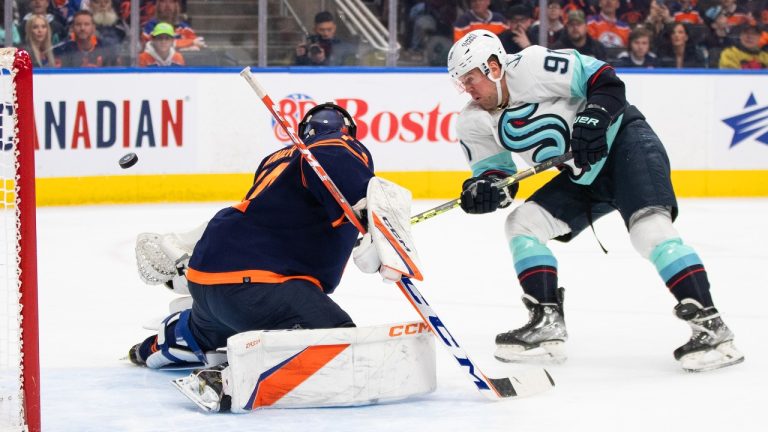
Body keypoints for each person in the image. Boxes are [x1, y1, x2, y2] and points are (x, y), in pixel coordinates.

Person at [445, 29, 744, 372]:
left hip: (626, 145)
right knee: (522, 223)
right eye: (460, 82)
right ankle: (547, 325)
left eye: (470, 79)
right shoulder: (472, 121)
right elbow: (499, 179)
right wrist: (483, 191)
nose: (467, 89)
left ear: (494, 67)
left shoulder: (532, 65)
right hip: (585, 174)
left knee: (649, 231)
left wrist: (595, 116)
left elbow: (606, 81)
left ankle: (713, 330)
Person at [128, 104, 382, 368]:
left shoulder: (276, 160)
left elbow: (268, 215)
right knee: (338, 344)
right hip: (257, 285)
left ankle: (171, 339)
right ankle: (236, 377)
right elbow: (331, 154)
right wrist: (374, 221)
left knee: (210, 324)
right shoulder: (335, 145)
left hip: (210, 280)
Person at [54, 9, 119, 66]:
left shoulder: (107, 49)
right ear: (73, 28)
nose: (82, 28)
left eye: (86, 24)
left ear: (93, 27)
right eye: (78, 24)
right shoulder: (61, 50)